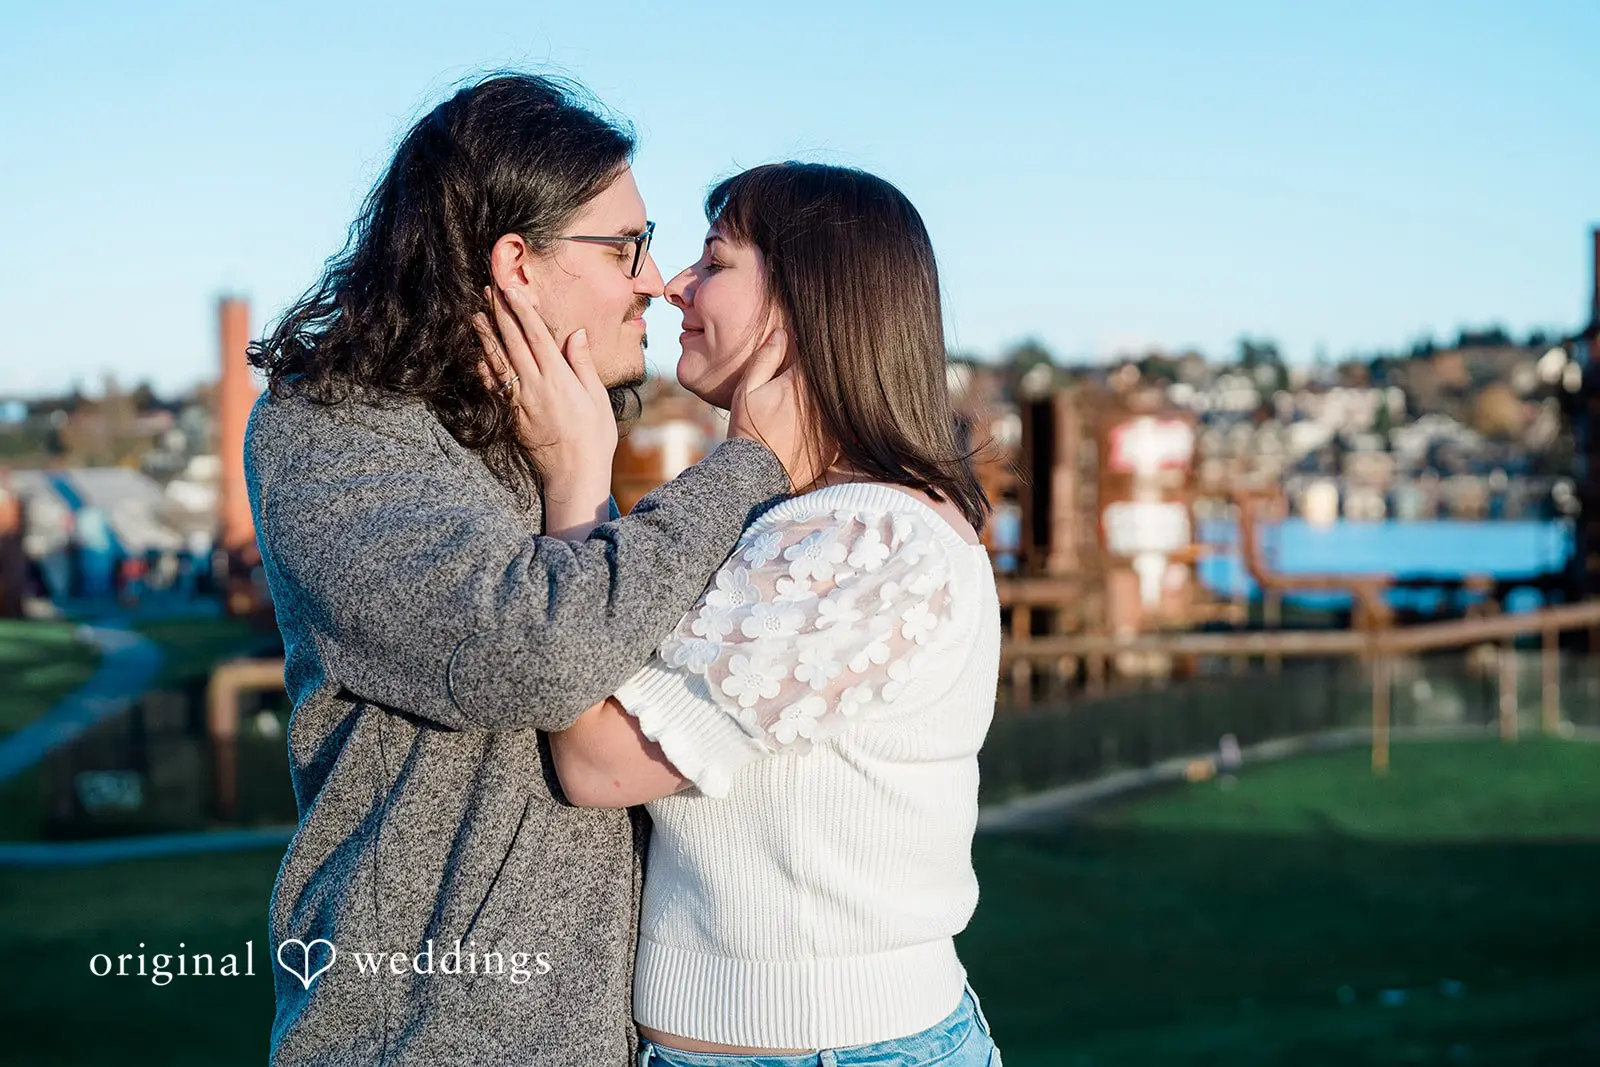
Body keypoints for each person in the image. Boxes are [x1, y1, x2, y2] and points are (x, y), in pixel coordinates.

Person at [243, 73, 809, 1067]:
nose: (656, 278)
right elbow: (540, 656)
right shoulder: (332, 433)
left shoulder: (534, 430)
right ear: (516, 262)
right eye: (626, 244)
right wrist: (750, 459)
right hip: (423, 1037)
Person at [483, 163, 1005, 1066]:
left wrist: (576, 486)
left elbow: (599, 760)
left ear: (805, 306)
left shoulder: (868, 537)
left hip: (832, 1050)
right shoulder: (790, 520)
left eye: (715, 261)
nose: (675, 282)